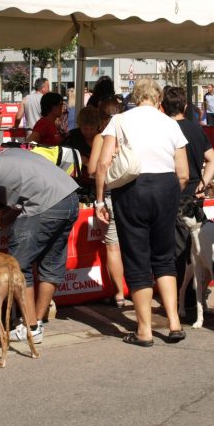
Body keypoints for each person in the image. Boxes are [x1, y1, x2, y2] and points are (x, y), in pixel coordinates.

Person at [0, 141, 79, 345]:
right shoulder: (8, 152)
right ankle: (36, 323)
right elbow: (28, 183)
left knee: (17, 266)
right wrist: (11, 213)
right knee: (51, 262)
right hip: (70, 198)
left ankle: (30, 327)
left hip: (46, 204)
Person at [94, 78, 189, 346]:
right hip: (165, 187)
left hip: (131, 190)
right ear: (158, 99)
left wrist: (100, 201)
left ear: (135, 97)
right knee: (164, 256)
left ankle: (144, 330)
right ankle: (174, 323)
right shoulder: (170, 123)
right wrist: (171, 194)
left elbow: (103, 163)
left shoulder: (120, 120)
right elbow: (183, 173)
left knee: (137, 257)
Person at [163, 86, 214, 310]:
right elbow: (213, 159)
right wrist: (203, 183)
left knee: (178, 250)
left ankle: (181, 301)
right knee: (196, 249)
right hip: (195, 196)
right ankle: (195, 298)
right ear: (185, 106)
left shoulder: (164, 129)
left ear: (162, 107)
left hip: (173, 194)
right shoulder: (196, 130)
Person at [87, 97, 126, 308]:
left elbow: (93, 169)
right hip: (132, 194)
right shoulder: (131, 134)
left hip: (110, 195)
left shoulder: (101, 138)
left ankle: (119, 294)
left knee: (113, 248)